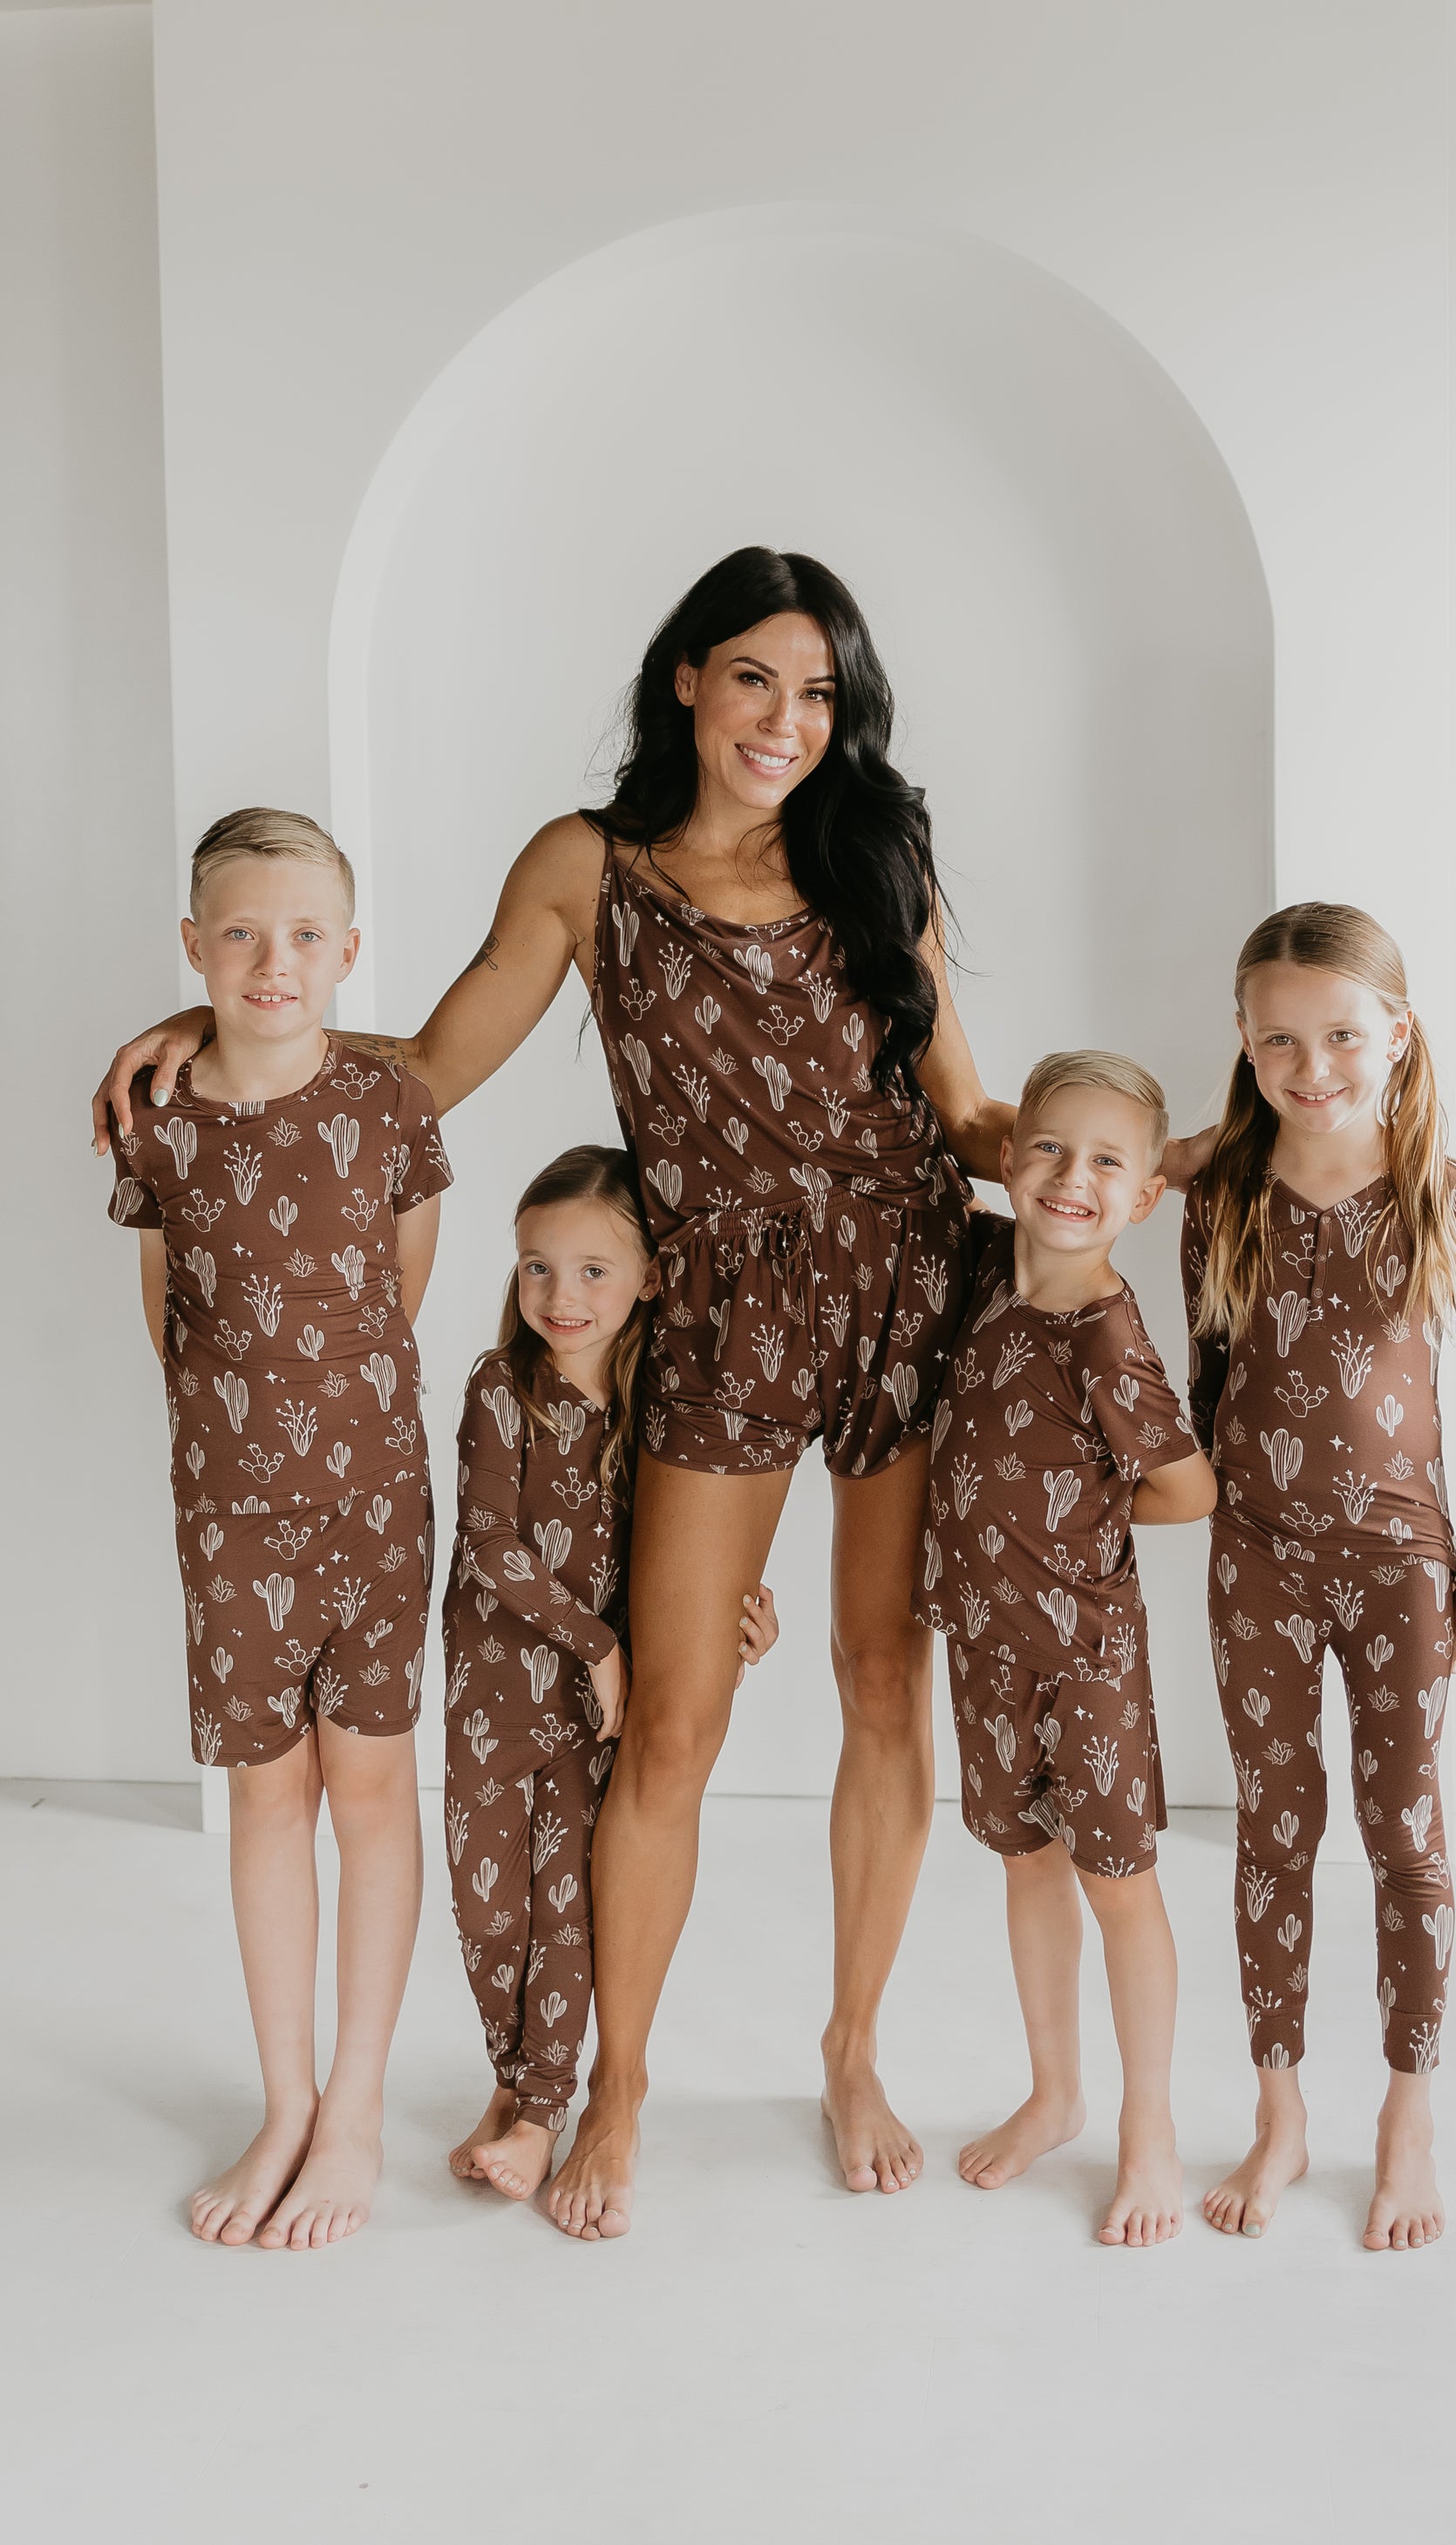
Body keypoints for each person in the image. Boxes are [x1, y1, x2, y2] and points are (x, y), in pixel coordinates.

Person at [90, 548, 1040, 2229]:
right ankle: (618, 2089)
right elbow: (433, 1068)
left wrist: (1098, 1160)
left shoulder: (879, 853)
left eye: (820, 692)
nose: (786, 719)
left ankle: (851, 2047)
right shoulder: (586, 867)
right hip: (717, 1313)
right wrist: (228, 1013)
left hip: (906, 1282)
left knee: (886, 1683)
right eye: (755, 676)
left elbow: (960, 1110)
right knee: (671, 1720)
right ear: (686, 676)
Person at [107, 808, 452, 2249]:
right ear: (194, 949)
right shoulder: (158, 1117)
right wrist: (239, 1458)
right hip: (229, 1520)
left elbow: (400, 1290)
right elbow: (167, 1311)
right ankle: (289, 2096)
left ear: (349, 953)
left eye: (306, 933)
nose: (272, 959)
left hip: (371, 1507)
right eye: (240, 931)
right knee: (268, 1799)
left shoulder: (388, 1109)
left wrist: (333, 1440)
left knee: (370, 1788)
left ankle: (359, 2105)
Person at [1181, 902, 1456, 2250]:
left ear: (1395, 1029)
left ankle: (1407, 2107)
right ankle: (1277, 2107)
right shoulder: (1223, 1196)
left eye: (1340, 1031)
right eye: (1278, 1037)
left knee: (1404, 1837)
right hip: (1257, 1567)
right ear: (1243, 1038)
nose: (1311, 1062)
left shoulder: (1444, 1196)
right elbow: (1208, 1396)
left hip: (1401, 1569)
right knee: (1272, 1832)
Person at [914, 1052, 1216, 2244]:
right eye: (1047, 1147)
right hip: (983, 1646)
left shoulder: (1104, 1333)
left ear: (1142, 1196)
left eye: (1104, 1160)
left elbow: (1186, 1489)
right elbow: (930, 1153)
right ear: (1010, 1155)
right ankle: (1053, 2088)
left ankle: (1150, 2126)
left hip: (1082, 1652)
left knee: (1119, 1885)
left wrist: (1073, 1516)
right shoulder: (988, 1267)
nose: (1069, 1176)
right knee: (1023, 1862)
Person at [443, 1145, 778, 2211]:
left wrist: (733, 1612)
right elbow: (488, 1544)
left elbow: (679, 1556)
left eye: (593, 1269)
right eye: (537, 1266)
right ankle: (515, 2083)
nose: (560, 1294)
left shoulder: (667, 1408)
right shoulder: (502, 1389)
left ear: (648, 1279)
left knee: (569, 1907)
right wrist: (593, 1642)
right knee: (490, 1912)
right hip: (497, 1700)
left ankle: (544, 2107)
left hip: (597, 1716)